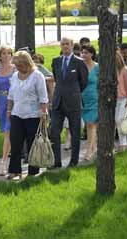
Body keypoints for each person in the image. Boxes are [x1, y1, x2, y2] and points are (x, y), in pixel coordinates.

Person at [6, 51, 48, 180]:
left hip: (33, 115)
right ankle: (14, 171)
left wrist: (43, 113)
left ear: (26, 63)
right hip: (17, 114)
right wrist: (9, 110)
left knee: (32, 144)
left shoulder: (37, 76)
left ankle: (33, 171)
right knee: (16, 142)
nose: (18, 68)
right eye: (16, 66)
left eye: (20, 65)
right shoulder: (14, 76)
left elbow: (43, 97)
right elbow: (11, 95)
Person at [49, 37, 88, 168]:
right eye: (63, 44)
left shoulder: (79, 63)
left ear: (72, 46)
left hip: (73, 102)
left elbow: (83, 82)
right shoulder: (56, 61)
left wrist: (73, 93)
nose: (65, 46)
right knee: (53, 130)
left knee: (75, 132)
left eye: (67, 44)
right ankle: (56, 161)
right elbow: (56, 78)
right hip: (58, 102)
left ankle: (73, 161)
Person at [0, 45, 15, 176]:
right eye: (4, 53)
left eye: (9, 53)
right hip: (1, 102)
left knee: (8, 132)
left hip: (14, 103)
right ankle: (10, 159)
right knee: (7, 132)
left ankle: (3, 162)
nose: (6, 56)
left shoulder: (16, 70)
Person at [81, 45, 99, 160]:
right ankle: (94, 147)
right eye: (82, 53)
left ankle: (89, 151)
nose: (83, 55)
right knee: (88, 124)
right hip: (83, 98)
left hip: (95, 98)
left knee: (91, 124)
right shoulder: (81, 66)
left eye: (86, 52)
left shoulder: (98, 67)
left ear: (92, 54)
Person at [115, 51, 127, 150]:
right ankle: (116, 143)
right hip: (114, 99)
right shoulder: (111, 70)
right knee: (115, 121)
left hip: (124, 99)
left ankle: (123, 143)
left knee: (120, 120)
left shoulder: (125, 70)